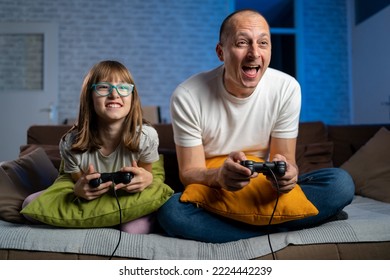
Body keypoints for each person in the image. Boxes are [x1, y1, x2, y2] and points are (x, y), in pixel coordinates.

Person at [156, 9, 355, 243]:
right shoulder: (187, 95)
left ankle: (243, 229)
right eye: (242, 43)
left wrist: (288, 175)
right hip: (215, 188)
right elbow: (189, 173)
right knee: (171, 213)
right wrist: (220, 176)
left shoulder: (287, 88)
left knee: (340, 183)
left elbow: (284, 159)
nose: (254, 53)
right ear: (221, 52)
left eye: (263, 43)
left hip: (264, 188)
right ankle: (292, 224)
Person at [23, 60, 160, 233]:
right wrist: (79, 190)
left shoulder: (146, 136)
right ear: (89, 96)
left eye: (123, 87)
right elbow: (78, 181)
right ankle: (102, 218)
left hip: (128, 196)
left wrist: (146, 179)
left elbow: (146, 173)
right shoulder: (71, 142)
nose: (114, 94)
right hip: (94, 198)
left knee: (133, 229)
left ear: (132, 98)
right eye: (103, 87)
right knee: (29, 204)